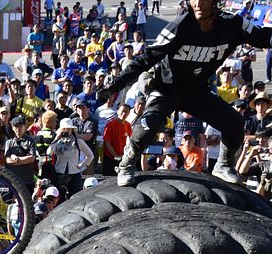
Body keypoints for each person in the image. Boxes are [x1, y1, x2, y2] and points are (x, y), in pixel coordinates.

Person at [97, 0, 272, 187]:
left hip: (196, 90)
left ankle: (223, 165)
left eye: (203, 0)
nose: (197, 4)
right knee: (148, 126)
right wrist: (116, 85)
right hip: (166, 88)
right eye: (193, 0)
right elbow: (147, 57)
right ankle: (126, 164)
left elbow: (263, 37)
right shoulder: (180, 25)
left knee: (235, 123)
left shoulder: (234, 24)